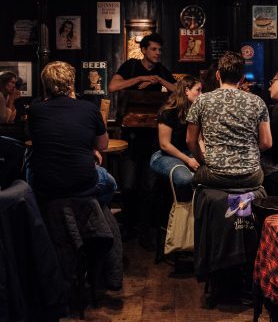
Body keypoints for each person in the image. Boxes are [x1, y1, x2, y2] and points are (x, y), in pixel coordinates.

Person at [108, 33, 176, 248]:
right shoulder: (131, 66)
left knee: (149, 186)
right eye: (154, 49)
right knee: (128, 185)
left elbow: (178, 91)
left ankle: (145, 229)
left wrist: (159, 80)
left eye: (159, 50)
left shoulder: (161, 70)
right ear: (144, 50)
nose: (157, 53)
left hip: (153, 138)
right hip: (130, 137)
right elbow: (112, 87)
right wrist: (139, 79)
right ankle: (129, 226)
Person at [27, 61, 117, 204]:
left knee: (29, 170)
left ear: (45, 84)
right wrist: (92, 149)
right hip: (82, 182)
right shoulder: (89, 108)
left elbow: (46, 139)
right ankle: (91, 211)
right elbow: (103, 145)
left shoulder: (35, 110)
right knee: (111, 183)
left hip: (45, 182)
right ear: (71, 83)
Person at [186, 51, 272, 188]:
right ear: (242, 79)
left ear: (218, 75)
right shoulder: (257, 102)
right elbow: (266, 143)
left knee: (193, 180)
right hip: (250, 175)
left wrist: (203, 161)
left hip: (215, 174)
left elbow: (190, 140)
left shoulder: (202, 100)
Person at [150, 76, 202, 201]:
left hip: (188, 154)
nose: (201, 94)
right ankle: (182, 209)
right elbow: (165, 145)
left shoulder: (195, 111)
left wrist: (202, 158)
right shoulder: (168, 112)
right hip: (165, 155)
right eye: (198, 90)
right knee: (185, 179)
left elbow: (199, 139)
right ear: (186, 90)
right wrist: (189, 160)